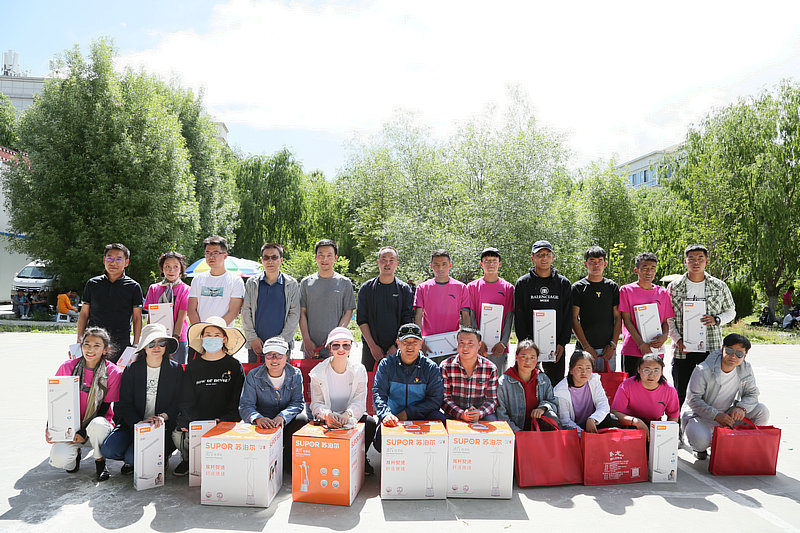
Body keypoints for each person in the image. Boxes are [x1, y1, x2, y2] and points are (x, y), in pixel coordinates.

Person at [100, 324, 183, 474]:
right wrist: (138, 423)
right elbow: (124, 403)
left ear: (166, 346)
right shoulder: (131, 369)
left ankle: (153, 456)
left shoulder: (175, 370)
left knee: (132, 457)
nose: (156, 347)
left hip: (161, 426)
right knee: (109, 450)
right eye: (151, 343)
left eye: (161, 342)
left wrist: (163, 417)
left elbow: (178, 402)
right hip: (134, 424)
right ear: (144, 346)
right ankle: (137, 455)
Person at [172, 316, 246, 476]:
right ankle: (188, 459)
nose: (212, 338)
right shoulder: (192, 367)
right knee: (178, 434)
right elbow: (185, 399)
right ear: (202, 338)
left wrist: (225, 419)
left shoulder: (234, 366)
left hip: (225, 421)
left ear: (224, 339)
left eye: (217, 335)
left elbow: (238, 398)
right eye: (208, 335)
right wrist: (193, 420)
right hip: (198, 420)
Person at [47, 327, 122, 481]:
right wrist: (50, 426)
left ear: (105, 350)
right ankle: (75, 456)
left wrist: (84, 432)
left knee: (98, 425)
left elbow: (105, 407)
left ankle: (100, 461)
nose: (90, 350)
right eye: (86, 344)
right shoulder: (67, 367)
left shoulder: (113, 372)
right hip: (70, 425)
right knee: (59, 459)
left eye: (96, 346)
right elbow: (56, 400)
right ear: (81, 346)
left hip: (97, 425)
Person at [667, 244, 736, 407]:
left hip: (711, 348)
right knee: (681, 391)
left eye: (700, 258)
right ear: (685, 261)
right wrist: (678, 340)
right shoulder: (674, 287)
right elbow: (668, 318)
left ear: (706, 261)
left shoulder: (719, 286)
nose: (696, 262)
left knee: (711, 392)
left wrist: (717, 319)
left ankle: (707, 422)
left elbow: (731, 311)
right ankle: (679, 423)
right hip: (683, 349)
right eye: (691, 259)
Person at [681, 333, 769, 460]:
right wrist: (716, 415)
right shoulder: (703, 369)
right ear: (722, 349)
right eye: (729, 351)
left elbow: (752, 393)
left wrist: (742, 408)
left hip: (728, 414)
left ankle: (742, 445)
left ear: (745, 355)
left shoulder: (745, 368)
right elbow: (693, 400)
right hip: (701, 416)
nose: (733, 356)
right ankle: (701, 448)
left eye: (739, 354)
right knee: (700, 441)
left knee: (762, 411)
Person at [308, 327, 377, 475]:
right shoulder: (318, 372)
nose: (341, 349)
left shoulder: (359, 370)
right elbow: (316, 404)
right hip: (326, 419)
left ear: (351, 347)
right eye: (336, 345)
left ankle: (360, 456)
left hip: (349, 418)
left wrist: (348, 415)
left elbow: (360, 401)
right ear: (329, 348)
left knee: (370, 423)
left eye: (346, 345)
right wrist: (327, 415)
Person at [372, 323, 445, 451]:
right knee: (379, 443)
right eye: (405, 342)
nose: (410, 346)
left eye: (414, 342)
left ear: (421, 344)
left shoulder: (431, 367)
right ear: (398, 343)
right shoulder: (386, 364)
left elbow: (435, 400)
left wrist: (408, 413)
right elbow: (379, 393)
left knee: (441, 421)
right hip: (393, 415)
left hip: (422, 414)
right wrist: (386, 414)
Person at [239, 336, 307, 469]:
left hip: (285, 421)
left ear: (287, 355)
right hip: (262, 421)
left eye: (279, 355)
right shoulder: (253, 375)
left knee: (301, 420)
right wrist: (258, 418)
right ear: (264, 357)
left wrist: (282, 416)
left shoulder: (295, 374)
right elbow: (246, 405)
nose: (274, 359)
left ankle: (288, 461)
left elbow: (298, 403)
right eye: (269, 355)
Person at [514, 240, 573, 386]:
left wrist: (562, 343)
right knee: (528, 384)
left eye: (547, 254)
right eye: (539, 255)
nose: (544, 258)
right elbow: (519, 316)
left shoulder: (563, 284)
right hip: (529, 346)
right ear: (532, 258)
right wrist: (525, 344)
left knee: (555, 384)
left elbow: (568, 315)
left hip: (556, 347)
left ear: (552, 257)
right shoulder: (523, 283)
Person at [77, 243, 144, 363]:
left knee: (118, 373)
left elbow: (137, 318)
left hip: (121, 340)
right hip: (94, 340)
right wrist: (79, 340)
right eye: (110, 258)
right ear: (104, 260)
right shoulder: (92, 284)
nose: (113, 263)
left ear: (126, 262)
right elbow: (84, 314)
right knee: (91, 372)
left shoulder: (133, 287)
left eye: (119, 259)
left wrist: (135, 344)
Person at [357, 247, 414, 371]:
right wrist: (372, 346)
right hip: (371, 348)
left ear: (396, 264)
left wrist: (396, 345)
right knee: (369, 381)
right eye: (384, 260)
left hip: (397, 347)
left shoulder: (404, 289)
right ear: (378, 262)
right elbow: (361, 320)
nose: (387, 263)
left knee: (396, 381)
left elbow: (407, 320)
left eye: (391, 260)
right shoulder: (367, 288)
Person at [242, 243, 300, 363]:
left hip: (282, 345)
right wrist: (252, 338)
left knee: (282, 375)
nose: (270, 261)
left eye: (274, 257)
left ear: (281, 260)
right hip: (257, 345)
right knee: (256, 375)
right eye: (266, 257)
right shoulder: (252, 283)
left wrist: (281, 341)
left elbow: (294, 313)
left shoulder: (291, 284)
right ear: (262, 260)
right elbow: (246, 311)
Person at [299, 239, 356, 358]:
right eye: (321, 255)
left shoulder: (345, 283)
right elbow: (301, 312)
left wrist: (336, 338)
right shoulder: (306, 283)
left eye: (329, 255)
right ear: (316, 257)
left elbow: (348, 312)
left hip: (336, 346)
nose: (324, 259)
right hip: (311, 346)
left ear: (335, 258)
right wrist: (306, 340)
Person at [618, 252, 673, 376]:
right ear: (636, 270)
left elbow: (665, 322)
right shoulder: (626, 290)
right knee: (631, 385)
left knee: (653, 383)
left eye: (653, 268)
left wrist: (665, 336)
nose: (649, 272)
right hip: (632, 349)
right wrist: (641, 344)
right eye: (645, 268)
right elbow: (626, 320)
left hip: (656, 349)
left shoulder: (663, 293)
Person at [414, 249, 471, 364]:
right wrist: (419, 341)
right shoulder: (422, 288)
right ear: (431, 266)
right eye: (436, 265)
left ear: (450, 265)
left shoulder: (461, 287)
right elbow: (418, 316)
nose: (440, 268)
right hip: (428, 343)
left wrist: (464, 341)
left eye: (444, 264)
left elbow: (466, 317)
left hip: (453, 343)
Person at [572, 246, 622, 372]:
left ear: (605, 264)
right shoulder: (578, 288)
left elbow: (618, 318)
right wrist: (586, 346)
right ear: (586, 264)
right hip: (584, 348)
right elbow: (573, 319)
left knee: (607, 383)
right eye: (592, 261)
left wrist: (613, 345)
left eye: (600, 261)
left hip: (608, 349)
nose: (596, 265)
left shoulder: (612, 287)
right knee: (582, 381)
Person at [467, 247, 515, 372]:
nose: (491, 264)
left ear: (500, 264)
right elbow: (471, 316)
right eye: (487, 261)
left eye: (494, 260)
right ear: (481, 264)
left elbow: (509, 317)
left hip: (499, 348)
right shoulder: (472, 287)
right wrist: (477, 341)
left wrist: (503, 343)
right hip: (478, 346)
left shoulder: (508, 288)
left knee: (498, 380)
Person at [611, 354, 680, 437]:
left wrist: (665, 435)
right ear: (639, 370)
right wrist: (636, 422)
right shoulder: (626, 386)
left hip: (654, 428)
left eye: (656, 370)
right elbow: (614, 413)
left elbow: (673, 417)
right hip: (630, 426)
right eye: (646, 370)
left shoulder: (669, 390)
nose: (651, 375)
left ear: (661, 372)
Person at [496, 340, 558, 432]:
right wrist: (518, 433)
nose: (528, 361)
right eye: (523, 357)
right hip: (514, 431)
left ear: (537, 359)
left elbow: (554, 404)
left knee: (551, 414)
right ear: (516, 357)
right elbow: (501, 414)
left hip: (538, 430)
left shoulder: (543, 379)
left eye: (532, 357)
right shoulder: (504, 382)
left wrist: (543, 407)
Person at [440, 327, 499, 421]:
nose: (465, 348)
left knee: (492, 421)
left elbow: (492, 400)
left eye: (470, 343)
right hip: (454, 413)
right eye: (461, 343)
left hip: (481, 414)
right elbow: (444, 398)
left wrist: (479, 413)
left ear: (479, 345)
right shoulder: (446, 366)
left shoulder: (490, 368)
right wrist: (461, 414)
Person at [554, 351, 620, 435]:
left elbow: (603, 404)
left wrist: (593, 419)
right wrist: (584, 435)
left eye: (588, 368)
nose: (584, 372)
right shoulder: (560, 390)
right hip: (573, 429)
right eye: (579, 368)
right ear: (571, 370)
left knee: (612, 420)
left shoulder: (594, 380)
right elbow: (565, 421)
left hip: (592, 423)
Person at [144, 252, 191, 364]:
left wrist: (173, 341)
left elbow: (181, 317)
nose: (171, 270)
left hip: (178, 339)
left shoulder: (186, 289)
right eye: (167, 266)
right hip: (157, 338)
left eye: (176, 267)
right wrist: (148, 337)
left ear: (181, 269)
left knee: (177, 370)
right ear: (162, 268)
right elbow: (150, 317)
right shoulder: (154, 288)